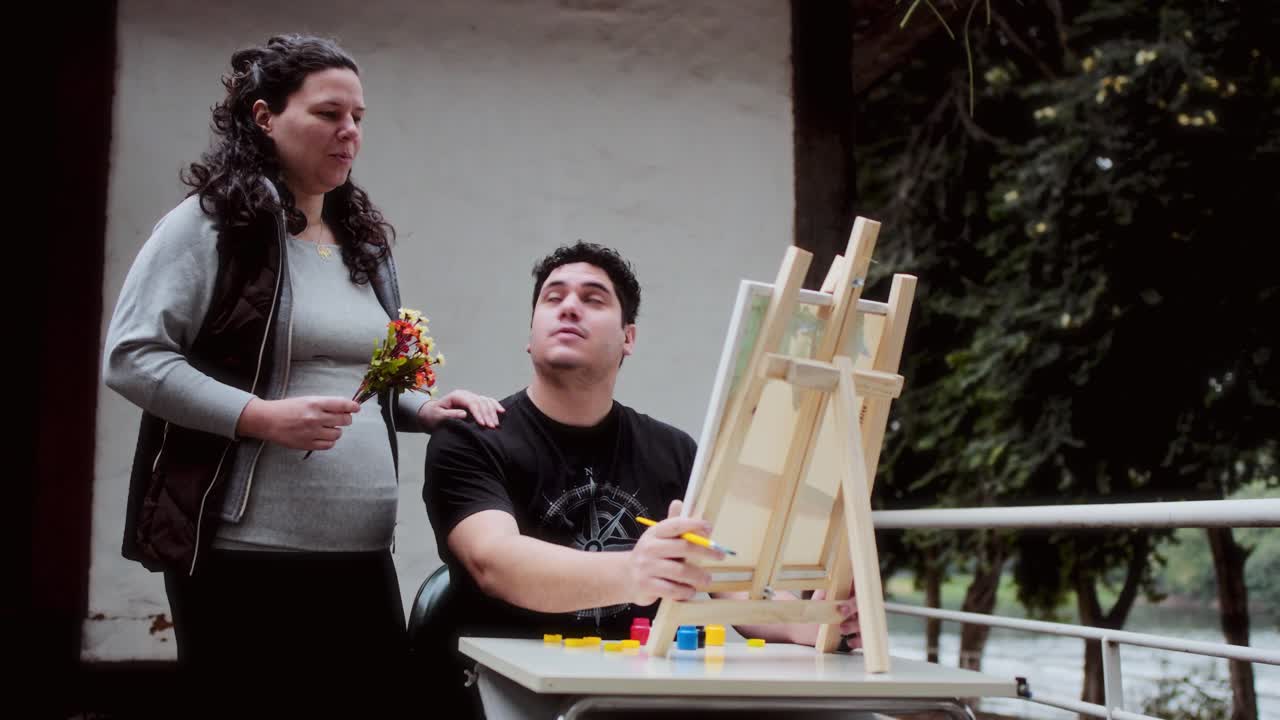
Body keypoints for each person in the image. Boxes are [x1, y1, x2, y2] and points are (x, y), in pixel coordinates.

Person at [102, 34, 502, 699]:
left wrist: (422, 408)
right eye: (328, 114)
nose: (349, 132)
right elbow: (131, 356)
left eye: (358, 118)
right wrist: (256, 416)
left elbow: (364, 386)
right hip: (244, 559)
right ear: (265, 117)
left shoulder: (364, 243)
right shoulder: (210, 226)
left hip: (361, 553)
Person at [422, 241, 859, 714]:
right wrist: (636, 571)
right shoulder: (471, 438)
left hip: (639, 700)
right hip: (506, 697)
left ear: (629, 338)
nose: (569, 307)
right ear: (531, 334)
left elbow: (728, 578)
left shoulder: (673, 451)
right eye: (553, 297)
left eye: (593, 298)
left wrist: (805, 624)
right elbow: (495, 561)